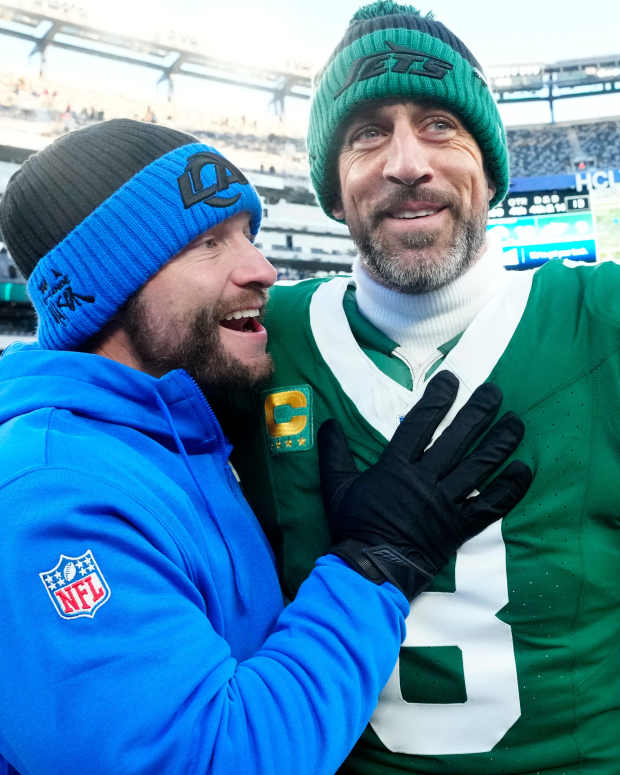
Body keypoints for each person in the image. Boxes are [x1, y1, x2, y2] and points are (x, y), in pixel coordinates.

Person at [0, 119, 531, 775]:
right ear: (106, 290)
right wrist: (372, 567)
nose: (261, 269)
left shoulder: (170, 438)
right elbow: (213, 758)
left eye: (247, 236)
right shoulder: (49, 495)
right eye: (208, 243)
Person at [227, 3, 620, 774]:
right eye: (367, 132)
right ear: (332, 188)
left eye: (441, 123)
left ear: (491, 168)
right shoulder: (257, 339)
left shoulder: (598, 321)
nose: (408, 160)